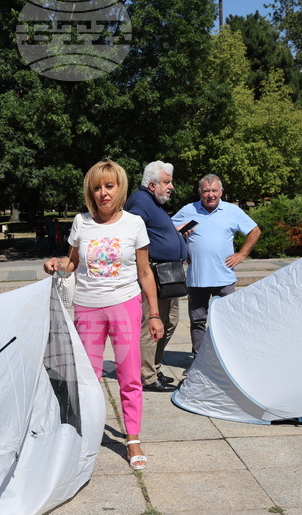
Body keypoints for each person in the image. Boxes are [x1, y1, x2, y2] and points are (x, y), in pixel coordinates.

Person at [43, 159, 163, 471]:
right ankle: (88, 433)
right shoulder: (81, 223)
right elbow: (71, 264)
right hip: (87, 307)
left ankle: (132, 437)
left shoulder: (134, 224)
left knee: (129, 375)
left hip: (124, 305)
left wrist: (154, 314)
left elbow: (145, 272)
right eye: (97, 187)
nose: (103, 193)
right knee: (89, 378)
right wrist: (57, 262)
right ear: (90, 192)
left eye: (109, 186)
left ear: (119, 188)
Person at [172, 174, 261, 355]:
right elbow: (169, 231)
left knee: (227, 320)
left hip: (224, 277)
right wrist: (182, 246)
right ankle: (199, 359)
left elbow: (255, 230)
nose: (210, 195)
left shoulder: (232, 211)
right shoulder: (189, 210)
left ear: (221, 191)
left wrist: (242, 254)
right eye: (206, 191)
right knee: (197, 321)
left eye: (214, 190)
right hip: (197, 279)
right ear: (199, 192)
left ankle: (227, 357)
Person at [125, 160, 187, 393]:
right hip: (155, 275)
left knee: (169, 323)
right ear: (152, 185)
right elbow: (132, 233)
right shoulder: (141, 202)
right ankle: (146, 376)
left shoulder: (154, 203)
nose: (171, 186)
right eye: (167, 182)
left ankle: (154, 366)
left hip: (169, 275)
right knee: (152, 326)